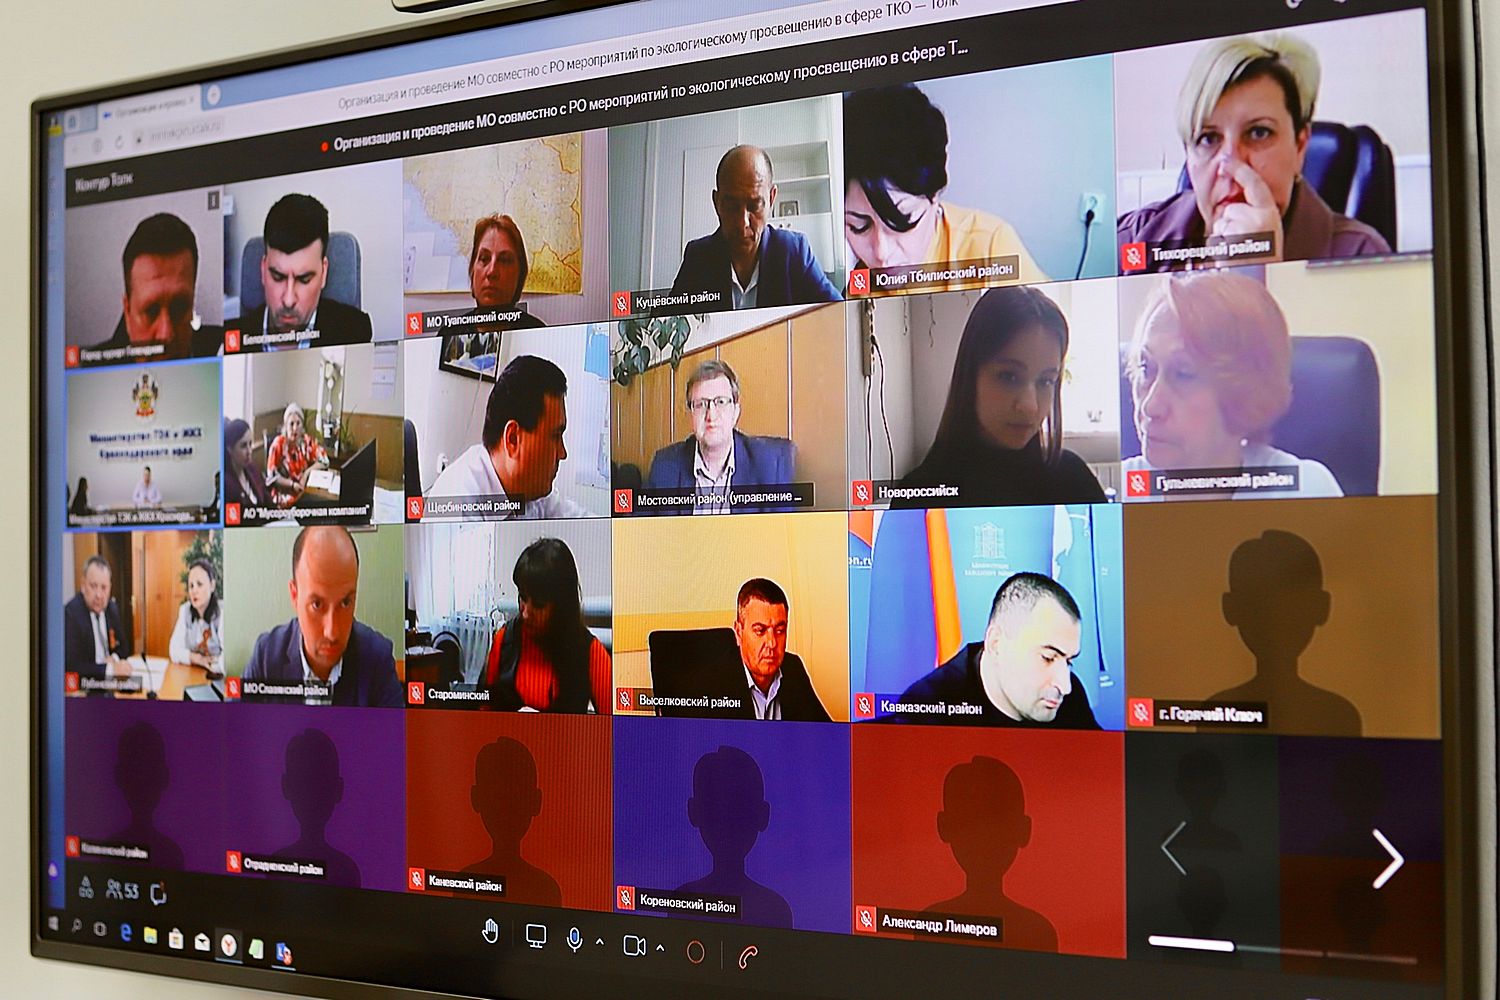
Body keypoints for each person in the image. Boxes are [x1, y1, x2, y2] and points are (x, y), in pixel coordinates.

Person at [1117, 33, 1390, 269]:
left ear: (1300, 147)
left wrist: (1259, 274)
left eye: (1259, 133)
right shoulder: (1135, 236)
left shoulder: (1361, 254)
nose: (1230, 165)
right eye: (1208, 138)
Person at [1122, 271, 1343, 498]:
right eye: (1145, 368)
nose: (1150, 407)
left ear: (1245, 394)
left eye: (1183, 374)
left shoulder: (1304, 490)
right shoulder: (1113, 490)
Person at [895, 286, 1106, 507]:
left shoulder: (1074, 482)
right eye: (1009, 377)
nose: (1030, 406)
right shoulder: (919, 493)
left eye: (1046, 381)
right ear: (970, 376)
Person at [843, 85, 1046, 286]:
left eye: (901, 220)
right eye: (858, 227)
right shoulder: (847, 269)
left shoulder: (990, 248)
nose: (881, 253)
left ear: (934, 195)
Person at [896, 572, 1100, 728]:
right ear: (996, 644)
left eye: (1069, 662)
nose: (1065, 686)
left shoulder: (1071, 698)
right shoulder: (927, 710)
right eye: (1048, 658)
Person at [1208, 529, 1361, 736]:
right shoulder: (1218, 710)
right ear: (1231, 608)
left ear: (1321, 607)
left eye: (1294, 606)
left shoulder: (1337, 714)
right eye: (1258, 604)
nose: (1275, 616)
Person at [241, 525, 401, 707]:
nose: (332, 632)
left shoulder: (378, 659)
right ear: (294, 595)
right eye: (317, 604)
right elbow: (236, 722)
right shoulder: (266, 656)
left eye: (345, 602)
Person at [671, 144, 842, 309]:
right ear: (717, 203)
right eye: (731, 207)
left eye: (755, 206)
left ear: (771, 198)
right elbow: (667, 321)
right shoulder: (697, 258)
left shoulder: (794, 251)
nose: (743, 223)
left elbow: (839, 313)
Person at [428, 355, 589, 519]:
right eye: (555, 436)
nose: (562, 453)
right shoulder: (457, 504)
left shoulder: (531, 489)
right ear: (513, 439)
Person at [928, 755, 1058, 952]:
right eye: (969, 823)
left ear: (1023, 830)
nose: (983, 837)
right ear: (944, 826)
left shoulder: (1037, 931)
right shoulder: (932, 922)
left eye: (998, 825)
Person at [644, 360, 796, 514]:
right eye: (701, 404)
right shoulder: (664, 466)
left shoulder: (771, 465)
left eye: (721, 402)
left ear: (735, 412)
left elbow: (784, 529)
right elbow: (641, 526)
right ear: (691, 415)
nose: (711, 415)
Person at [481, 537, 611, 713]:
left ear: (561, 606)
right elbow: (483, 710)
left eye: (539, 604)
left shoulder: (590, 653)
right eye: (523, 597)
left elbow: (615, 725)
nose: (525, 613)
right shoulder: (504, 640)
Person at [676, 746, 794, 928]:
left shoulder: (774, 909)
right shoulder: (773, 907)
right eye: (714, 809)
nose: (727, 821)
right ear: (694, 812)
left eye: (740, 809)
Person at [236, 193, 372, 348]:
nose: (288, 301)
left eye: (304, 279)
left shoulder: (355, 333)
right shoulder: (233, 339)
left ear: (323, 273)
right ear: (263, 269)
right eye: (277, 277)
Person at [89, 212, 222, 361]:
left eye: (179, 307)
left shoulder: (221, 349)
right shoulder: (92, 368)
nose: (166, 335)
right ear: (127, 312)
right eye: (151, 311)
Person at [463, 737, 561, 905]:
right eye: (495, 796)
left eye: (517, 797)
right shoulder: (466, 881)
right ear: (476, 798)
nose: (505, 809)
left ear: (536, 802)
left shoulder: (545, 889)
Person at [273, 729, 362, 888]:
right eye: (303, 783)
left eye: (321, 783)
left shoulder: (345, 870)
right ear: (286, 786)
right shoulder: (345, 868)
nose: (312, 794)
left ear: (338, 789)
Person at [466, 214, 546, 330]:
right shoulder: (449, 334)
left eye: (504, 260)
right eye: (484, 258)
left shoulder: (538, 333)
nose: (492, 271)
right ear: (472, 271)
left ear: (519, 277)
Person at [63, 555, 132, 680]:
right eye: (93, 586)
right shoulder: (71, 614)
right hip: (86, 686)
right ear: (83, 585)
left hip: (111, 682)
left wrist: (113, 659)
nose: (99, 595)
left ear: (110, 588)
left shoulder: (111, 608)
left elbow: (124, 647)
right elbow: (72, 666)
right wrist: (109, 669)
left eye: (104, 587)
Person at [266, 402, 329, 508]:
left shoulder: (305, 441)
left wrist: (306, 474)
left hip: (303, 490)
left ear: (302, 425)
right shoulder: (278, 444)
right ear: (285, 426)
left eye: (298, 423)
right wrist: (292, 484)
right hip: (284, 495)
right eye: (291, 424)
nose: (295, 428)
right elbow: (271, 477)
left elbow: (325, 460)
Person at [168, 558, 223, 677]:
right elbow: (174, 650)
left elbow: (228, 657)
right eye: (191, 586)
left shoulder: (222, 612)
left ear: (212, 585)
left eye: (199, 584)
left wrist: (214, 664)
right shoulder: (185, 610)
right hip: (193, 674)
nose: (194, 591)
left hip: (218, 676)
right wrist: (197, 659)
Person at [223, 417, 270, 510]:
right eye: (243, 446)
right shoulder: (226, 484)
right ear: (230, 449)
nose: (249, 451)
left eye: (250, 444)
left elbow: (267, 500)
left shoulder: (252, 469)